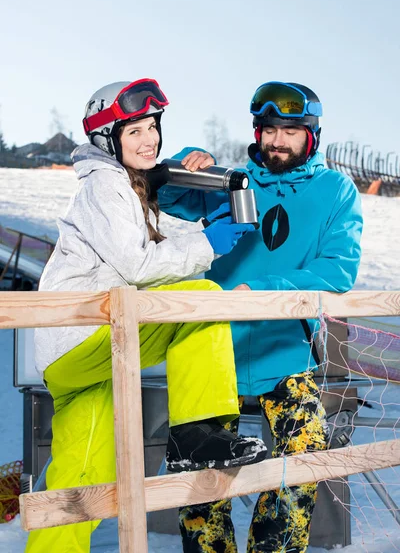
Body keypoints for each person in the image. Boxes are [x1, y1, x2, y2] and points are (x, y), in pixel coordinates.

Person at [27, 78, 268, 553]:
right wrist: (207, 245)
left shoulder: (125, 188)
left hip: (74, 354)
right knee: (199, 299)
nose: (150, 138)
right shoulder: (104, 184)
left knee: (83, 478)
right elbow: (138, 267)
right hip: (88, 335)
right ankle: (200, 433)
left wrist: (205, 232)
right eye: (135, 130)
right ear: (107, 138)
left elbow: (142, 251)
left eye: (153, 126)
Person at [158, 81, 363, 553]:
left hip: (285, 354)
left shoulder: (335, 191)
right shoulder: (233, 182)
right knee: (200, 477)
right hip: (211, 353)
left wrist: (260, 293)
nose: (277, 141)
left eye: (290, 130)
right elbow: (166, 193)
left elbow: (337, 271)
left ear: (311, 134)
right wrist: (192, 159)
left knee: (304, 458)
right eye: (269, 129)